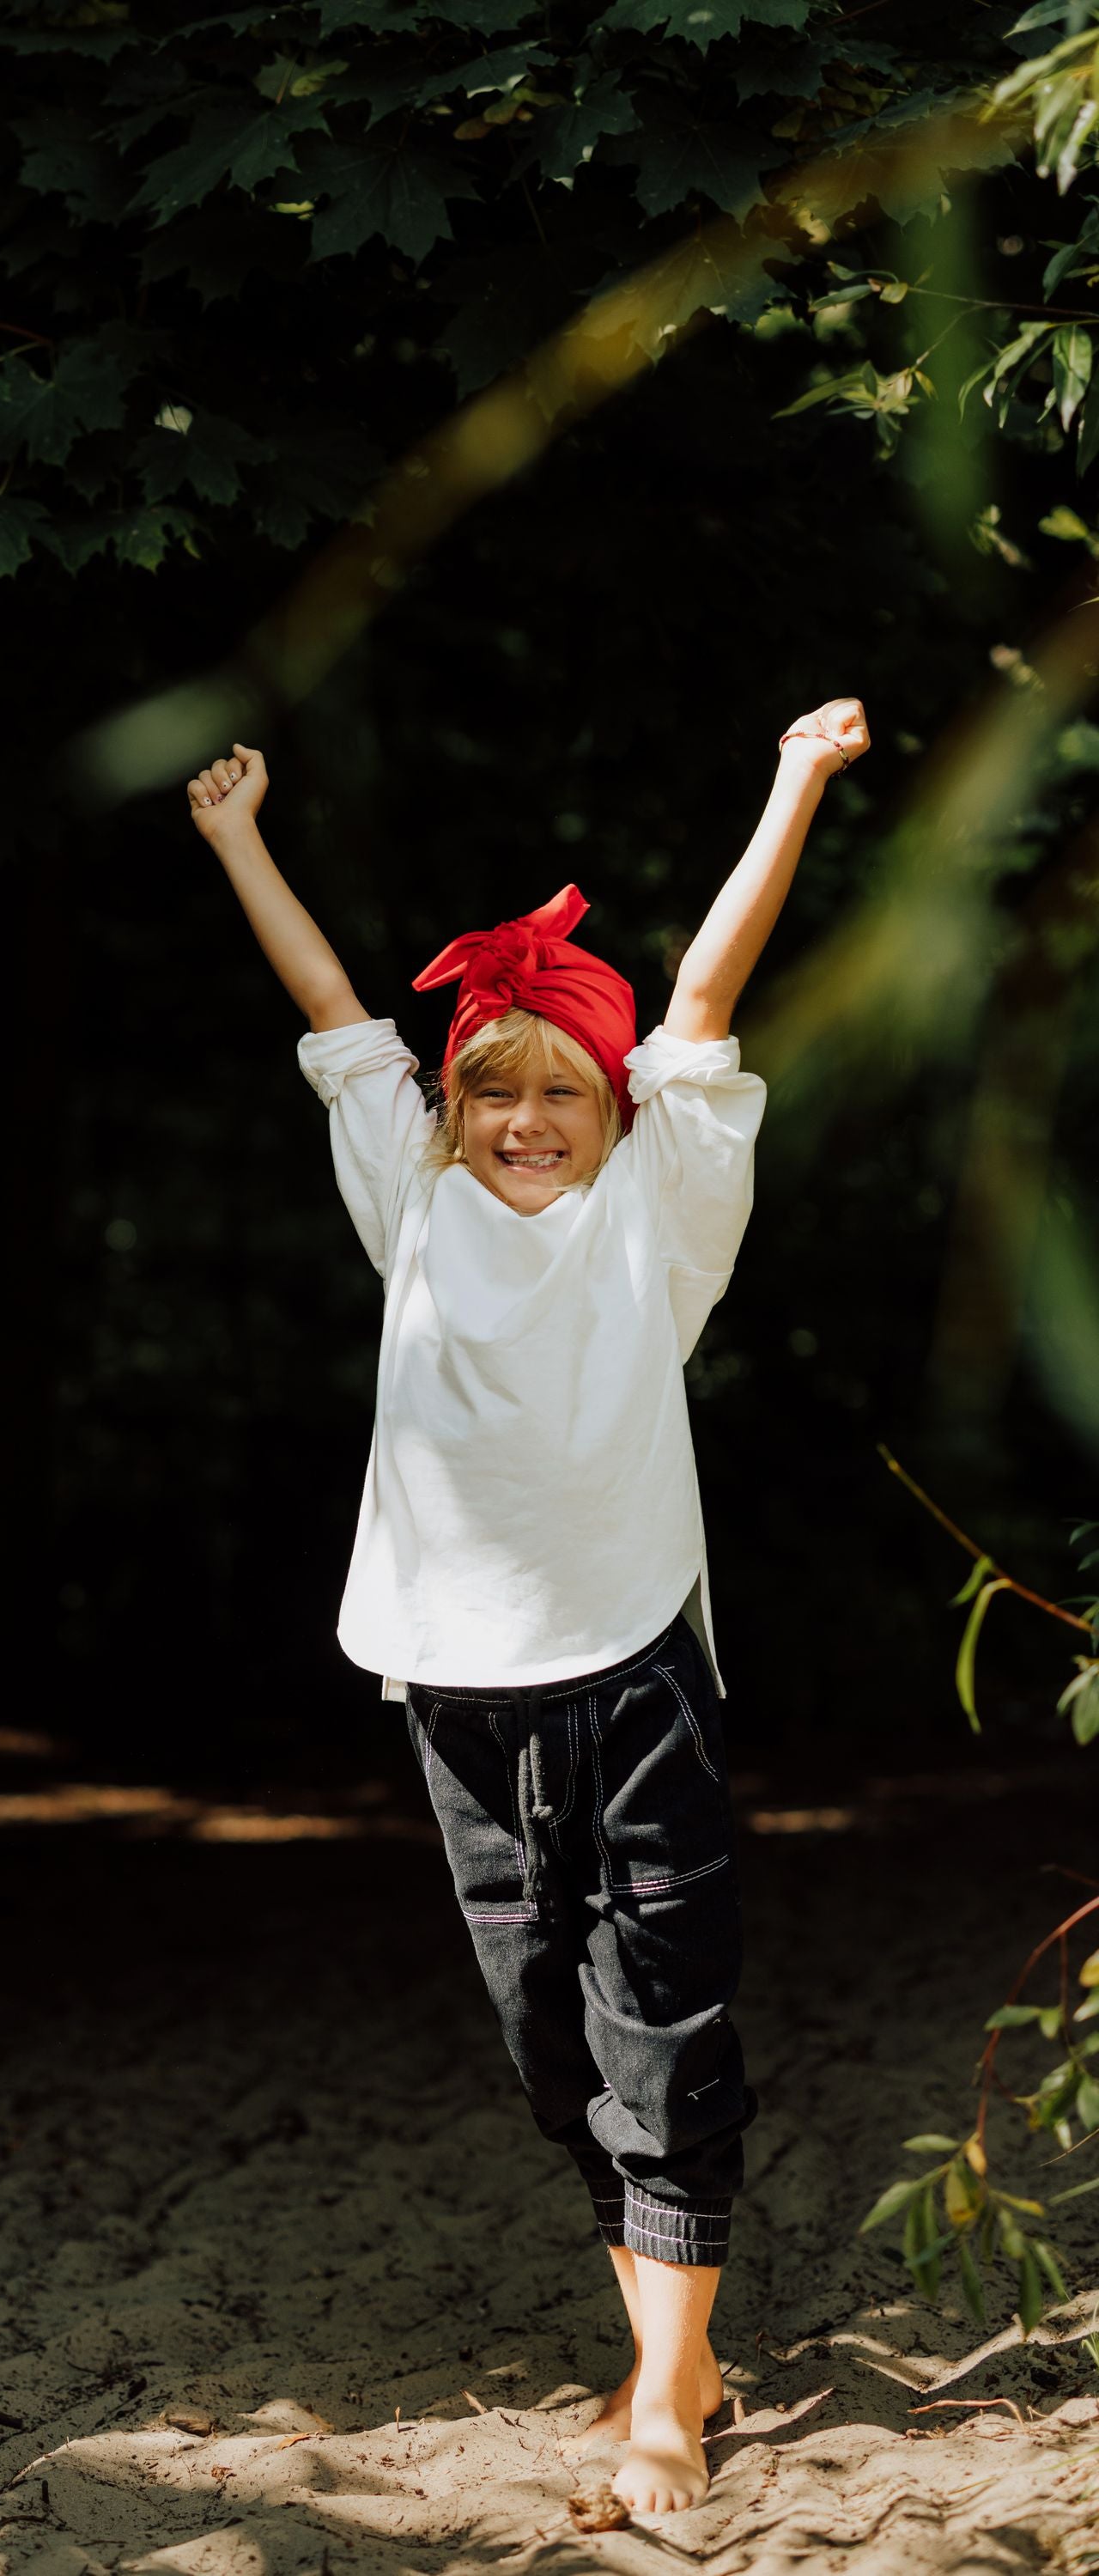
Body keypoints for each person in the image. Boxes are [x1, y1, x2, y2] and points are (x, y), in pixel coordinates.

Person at [185, 700, 870, 2518]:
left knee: (662, 2018)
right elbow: (338, 1024)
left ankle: (660, 2394)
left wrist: (789, 779)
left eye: (558, 1089)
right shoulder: (410, 1209)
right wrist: (240, 834)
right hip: (450, 1683)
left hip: (634, 1657)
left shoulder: (659, 1209)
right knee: (545, 2037)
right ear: (455, 1112)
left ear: (613, 1108)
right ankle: (681, 2347)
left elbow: (708, 1001)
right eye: (492, 1090)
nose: (521, 1119)